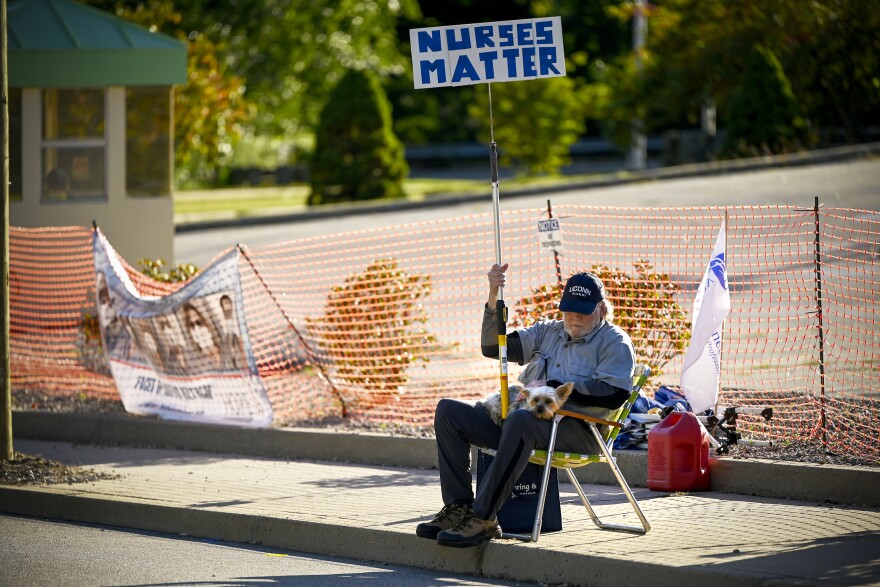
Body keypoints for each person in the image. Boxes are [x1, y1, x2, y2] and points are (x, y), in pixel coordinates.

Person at [416, 263, 636, 548]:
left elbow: (613, 394)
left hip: (577, 431)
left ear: (602, 309)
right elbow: (494, 348)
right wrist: (494, 298)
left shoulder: (615, 341)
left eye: (583, 309)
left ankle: (483, 518)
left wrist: (551, 386)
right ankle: (458, 508)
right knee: (449, 411)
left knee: (521, 421)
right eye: (569, 308)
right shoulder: (549, 331)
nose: (574, 316)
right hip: (523, 426)